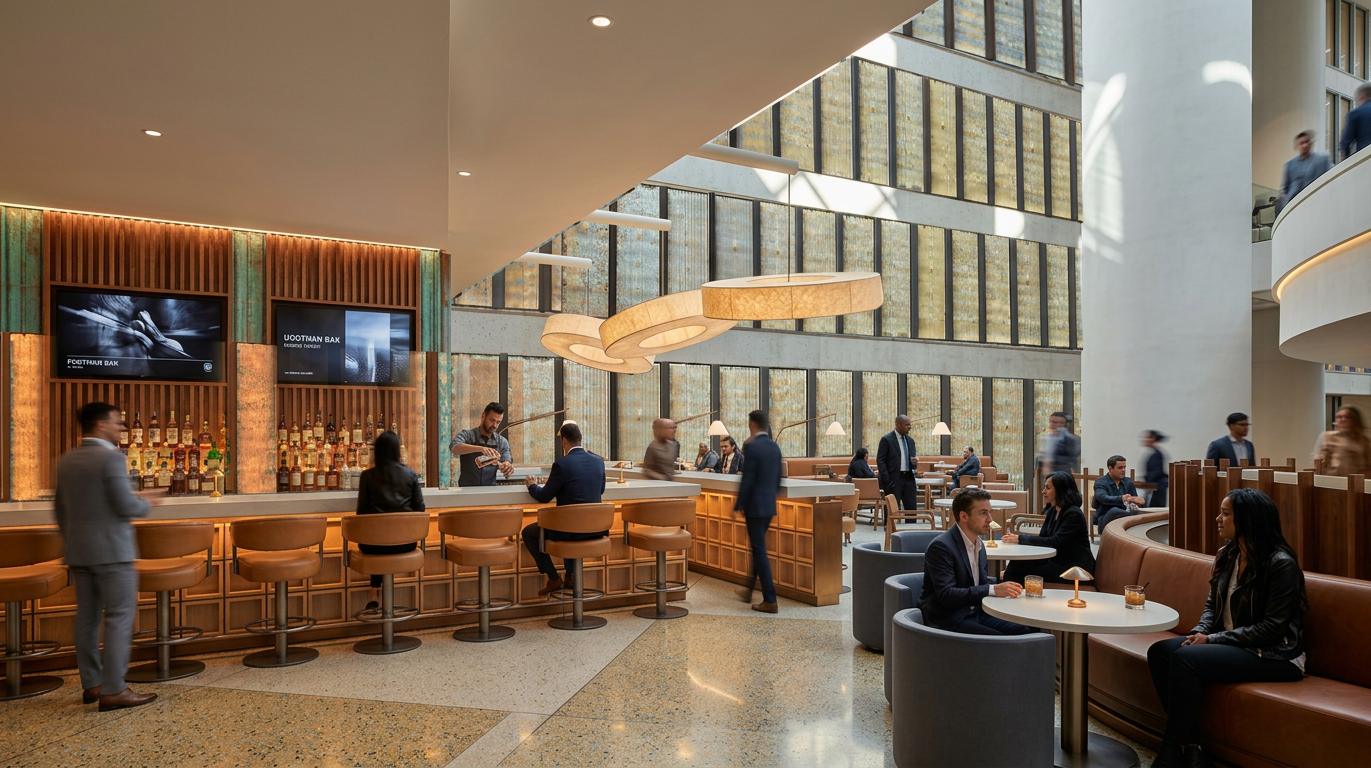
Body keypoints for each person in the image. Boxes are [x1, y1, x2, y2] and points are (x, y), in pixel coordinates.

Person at [1147, 489, 1307, 768]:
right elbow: (1212, 605)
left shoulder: (1281, 564)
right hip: (1234, 644)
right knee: (1160, 652)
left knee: (1185, 659)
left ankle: (1170, 752)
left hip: (1275, 654)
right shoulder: (1228, 554)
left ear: (1247, 519)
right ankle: (1192, 746)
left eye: (1225, 513)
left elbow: (1271, 628)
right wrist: (1199, 632)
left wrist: (1211, 640)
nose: (1218, 519)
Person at [53, 402, 158, 711]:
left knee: (87, 619)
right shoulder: (111, 458)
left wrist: (73, 541)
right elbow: (126, 506)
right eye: (117, 422)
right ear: (101, 425)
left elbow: (60, 510)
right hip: (113, 552)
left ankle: (92, 684)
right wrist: (148, 502)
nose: (122, 428)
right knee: (119, 617)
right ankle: (114, 690)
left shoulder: (66, 460)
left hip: (79, 551)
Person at [916, 488, 1032, 636]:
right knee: (1005, 641)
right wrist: (993, 589)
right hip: (948, 618)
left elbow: (979, 583)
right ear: (964, 516)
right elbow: (947, 595)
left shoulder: (979, 545)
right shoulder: (941, 547)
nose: (990, 519)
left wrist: (1006, 585)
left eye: (990, 512)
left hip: (974, 611)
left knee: (1026, 629)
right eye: (983, 513)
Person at [522, 422, 607, 596]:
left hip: (569, 532)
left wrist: (532, 486)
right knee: (571, 523)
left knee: (529, 533)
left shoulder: (561, 464)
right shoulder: (598, 462)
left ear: (564, 441)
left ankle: (554, 578)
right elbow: (600, 490)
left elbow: (544, 496)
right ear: (581, 439)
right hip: (596, 531)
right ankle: (571, 576)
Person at [355, 431, 424, 610]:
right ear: (397, 451)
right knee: (384, 538)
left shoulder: (367, 476)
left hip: (372, 547)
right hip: (405, 544)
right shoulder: (410, 475)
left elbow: (361, 514)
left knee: (377, 538)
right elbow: (420, 510)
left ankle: (375, 593)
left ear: (376, 451)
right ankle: (384, 602)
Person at [1003, 471, 1096, 585]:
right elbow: (1044, 537)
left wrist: (1020, 538)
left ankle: (1010, 592)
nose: (1043, 491)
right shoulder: (1053, 510)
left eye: (1048, 488)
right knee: (1017, 562)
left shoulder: (1073, 514)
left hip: (1073, 568)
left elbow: (1054, 542)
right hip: (1057, 561)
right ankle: (1008, 590)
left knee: (1019, 570)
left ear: (1060, 490)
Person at [735, 410, 782, 614]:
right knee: (758, 547)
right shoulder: (774, 446)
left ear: (752, 424)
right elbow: (778, 478)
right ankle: (748, 590)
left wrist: (739, 504)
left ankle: (770, 599)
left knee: (759, 550)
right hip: (769, 505)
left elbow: (748, 479)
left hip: (754, 506)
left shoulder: (752, 446)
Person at [449, 402, 514, 487]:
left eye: (498, 422)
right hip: (466, 490)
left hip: (489, 489)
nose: (494, 425)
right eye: (492, 420)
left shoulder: (502, 442)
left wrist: (507, 466)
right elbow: (454, 447)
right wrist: (481, 449)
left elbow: (506, 459)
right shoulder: (468, 435)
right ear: (483, 416)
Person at [1277, 130, 1332, 214]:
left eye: (1307, 142)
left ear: (1311, 143)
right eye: (1301, 143)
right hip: (1294, 206)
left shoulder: (1322, 160)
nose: (1304, 145)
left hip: (1316, 202)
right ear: (1296, 146)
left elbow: (1330, 178)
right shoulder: (1290, 165)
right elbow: (1285, 188)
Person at [1092, 455, 1146, 533]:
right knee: (1115, 511)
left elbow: (1134, 500)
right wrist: (1122, 499)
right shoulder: (1101, 482)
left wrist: (1139, 502)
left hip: (1126, 516)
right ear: (1110, 468)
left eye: (1124, 467)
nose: (1123, 470)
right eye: (1120, 468)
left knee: (1141, 512)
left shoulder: (1128, 482)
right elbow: (1103, 498)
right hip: (1106, 517)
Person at [1312, 405, 1371, 477]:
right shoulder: (1328, 437)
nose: (1343, 419)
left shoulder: (1363, 440)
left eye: (1347, 417)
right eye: (1339, 417)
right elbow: (1318, 461)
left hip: (1357, 480)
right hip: (1334, 478)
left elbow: (1368, 465)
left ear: (1355, 420)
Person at [877, 415, 919, 510]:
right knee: (892, 510)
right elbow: (880, 460)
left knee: (912, 508)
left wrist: (914, 463)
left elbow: (913, 461)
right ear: (898, 424)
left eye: (910, 424)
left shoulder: (910, 441)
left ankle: (911, 521)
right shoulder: (887, 440)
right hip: (893, 479)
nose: (909, 427)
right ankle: (889, 522)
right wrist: (887, 479)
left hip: (909, 478)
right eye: (907, 425)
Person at [1338, 82, 1371, 161]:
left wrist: (1345, 162)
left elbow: (1345, 143)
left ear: (1361, 97)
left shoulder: (1355, 114)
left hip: (1365, 158)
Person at [1141, 430, 1169, 508]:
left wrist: (1147, 480)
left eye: (1147, 438)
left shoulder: (1156, 455)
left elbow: (1157, 472)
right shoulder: (1155, 453)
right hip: (1155, 486)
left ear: (1152, 439)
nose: (1144, 440)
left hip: (1156, 488)